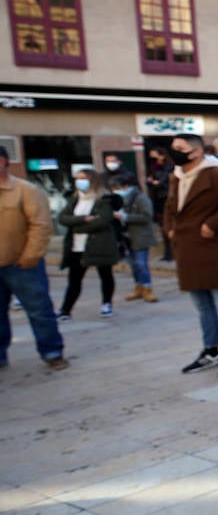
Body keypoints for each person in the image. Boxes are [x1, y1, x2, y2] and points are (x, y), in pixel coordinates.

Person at [163, 133, 218, 377]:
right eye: (174, 148)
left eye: (180, 148)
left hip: (210, 249)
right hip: (186, 249)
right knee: (202, 306)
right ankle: (211, 349)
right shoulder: (176, 176)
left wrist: (214, 223)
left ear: (196, 151)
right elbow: (170, 208)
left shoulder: (216, 175)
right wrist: (169, 229)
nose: (175, 152)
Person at [0, 146, 67, 370]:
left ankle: (51, 351)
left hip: (22, 264)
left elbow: (41, 226)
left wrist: (30, 256)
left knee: (39, 309)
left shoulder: (25, 190)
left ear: (4, 162)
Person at [57, 169, 120, 320]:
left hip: (99, 244)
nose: (79, 181)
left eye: (83, 178)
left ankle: (106, 304)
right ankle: (66, 310)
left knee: (105, 275)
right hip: (77, 246)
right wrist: (83, 219)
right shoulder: (74, 198)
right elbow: (63, 218)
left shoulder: (104, 199)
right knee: (74, 280)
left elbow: (103, 220)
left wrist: (77, 226)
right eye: (77, 178)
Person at [109, 173, 159, 303]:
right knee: (133, 265)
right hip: (125, 238)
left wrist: (125, 217)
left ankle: (147, 288)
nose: (115, 191)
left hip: (140, 236)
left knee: (141, 264)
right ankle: (139, 286)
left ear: (126, 186)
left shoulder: (140, 198)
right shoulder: (117, 199)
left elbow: (147, 216)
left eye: (117, 187)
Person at [146, 147, 175, 261]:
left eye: (155, 155)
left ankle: (171, 252)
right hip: (157, 199)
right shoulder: (154, 168)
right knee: (163, 227)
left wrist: (155, 183)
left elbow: (161, 182)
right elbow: (150, 182)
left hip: (165, 199)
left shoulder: (168, 167)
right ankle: (168, 253)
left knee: (168, 226)